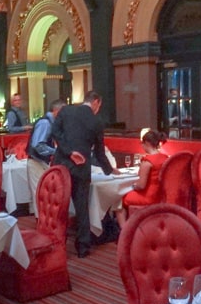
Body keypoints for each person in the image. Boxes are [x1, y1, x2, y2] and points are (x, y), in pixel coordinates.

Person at [52, 91, 119, 258]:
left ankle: (54, 241)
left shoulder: (66, 111)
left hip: (61, 166)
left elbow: (55, 133)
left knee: (58, 205)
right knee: (82, 208)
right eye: (99, 106)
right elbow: (99, 152)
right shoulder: (97, 121)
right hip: (81, 169)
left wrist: (69, 152)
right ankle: (82, 247)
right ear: (96, 102)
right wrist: (110, 170)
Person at [117, 129, 169, 228]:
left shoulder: (147, 161)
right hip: (160, 196)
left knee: (118, 200)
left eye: (142, 143)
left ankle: (124, 231)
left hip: (148, 197)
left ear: (147, 143)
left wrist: (131, 186)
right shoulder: (165, 158)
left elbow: (141, 185)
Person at [26, 98, 65, 217]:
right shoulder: (45, 123)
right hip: (36, 162)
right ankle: (41, 223)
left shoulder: (49, 123)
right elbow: (38, 145)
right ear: (57, 111)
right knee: (40, 194)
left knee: (42, 193)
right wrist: (56, 151)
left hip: (40, 162)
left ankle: (44, 221)